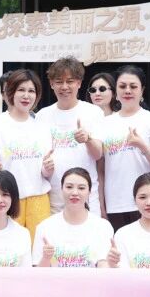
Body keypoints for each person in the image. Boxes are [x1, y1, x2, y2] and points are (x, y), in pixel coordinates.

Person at [0, 69, 54, 240]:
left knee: (39, 246)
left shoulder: (42, 127)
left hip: (39, 198)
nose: (26, 96)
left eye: (31, 91)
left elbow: (45, 173)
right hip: (8, 198)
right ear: (11, 92)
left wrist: (48, 168)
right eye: (21, 90)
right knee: (9, 247)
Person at [98, 66, 150, 231]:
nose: (127, 90)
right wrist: (101, 204)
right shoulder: (104, 123)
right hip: (115, 203)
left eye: (133, 86)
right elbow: (100, 169)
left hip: (147, 202)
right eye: (122, 86)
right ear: (115, 90)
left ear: (142, 90)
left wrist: (142, 146)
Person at [35, 57, 103, 215]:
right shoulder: (42, 116)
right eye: (59, 82)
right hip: (53, 198)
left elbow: (98, 154)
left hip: (87, 197)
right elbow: (38, 158)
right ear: (51, 84)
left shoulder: (93, 112)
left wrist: (88, 139)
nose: (64, 86)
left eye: (70, 81)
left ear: (79, 83)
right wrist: (45, 167)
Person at [34, 168, 116, 267]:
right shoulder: (45, 227)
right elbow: (37, 273)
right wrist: (46, 258)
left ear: (89, 192)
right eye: (69, 187)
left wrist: (112, 264)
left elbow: (103, 266)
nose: (75, 193)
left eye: (81, 188)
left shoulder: (102, 227)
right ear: (61, 189)